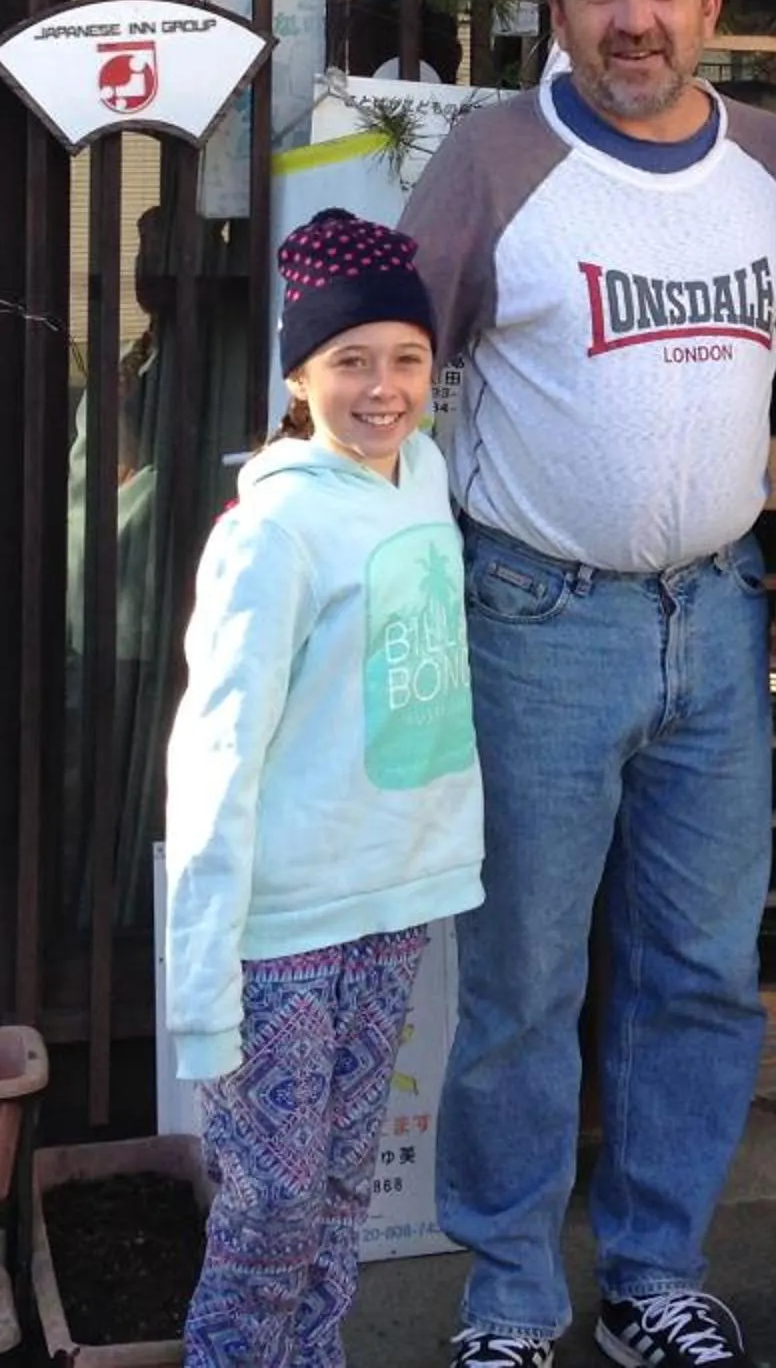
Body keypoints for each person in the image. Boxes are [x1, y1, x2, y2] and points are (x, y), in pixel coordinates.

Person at [402, 0, 776, 1368]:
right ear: (555, 11)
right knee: (525, 977)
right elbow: (380, 359)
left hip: (715, 618)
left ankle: (654, 1270)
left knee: (698, 967)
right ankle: (508, 1287)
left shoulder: (768, 158)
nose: (632, 18)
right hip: (537, 616)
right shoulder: (495, 160)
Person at [162, 209, 486, 1368]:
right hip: (283, 927)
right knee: (270, 1203)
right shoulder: (273, 529)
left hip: (391, 904)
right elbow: (215, 752)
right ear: (301, 374)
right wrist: (201, 978)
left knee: (344, 1187)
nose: (384, 388)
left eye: (406, 359)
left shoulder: (424, 477)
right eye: (351, 361)